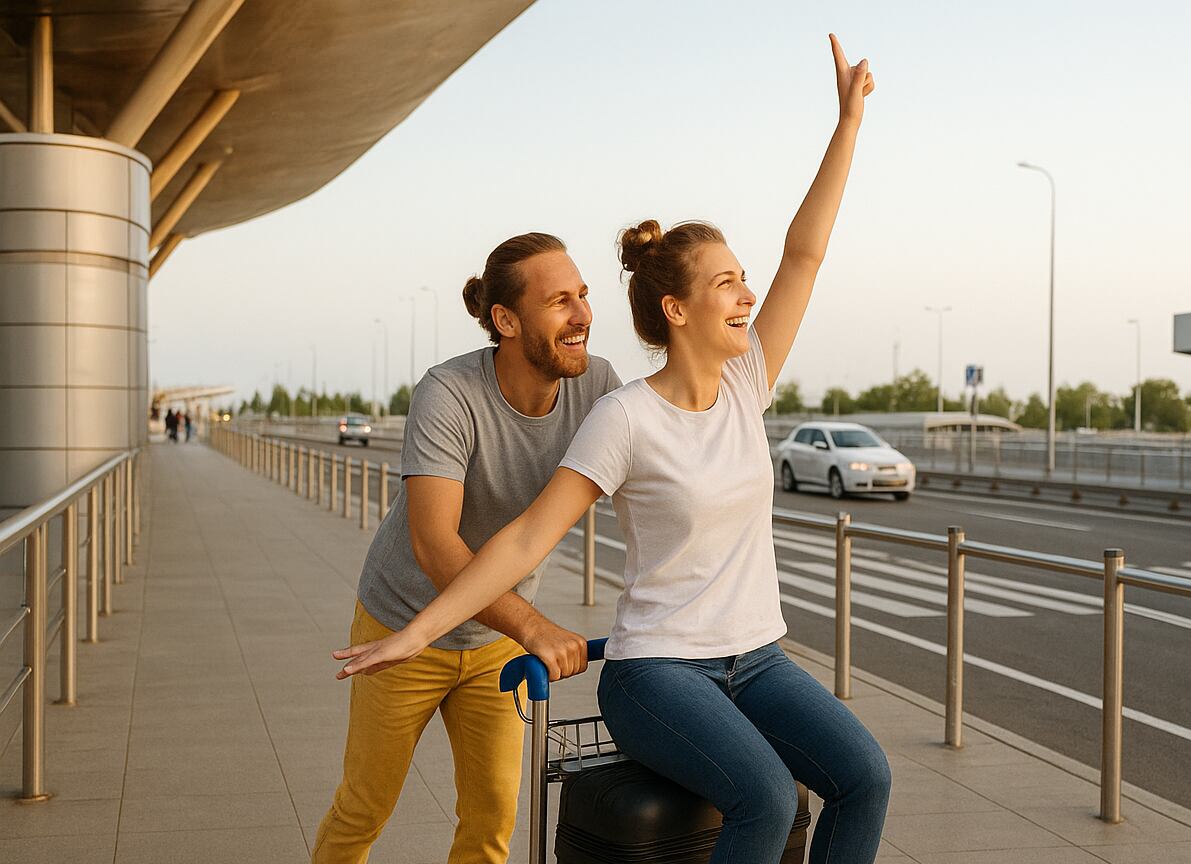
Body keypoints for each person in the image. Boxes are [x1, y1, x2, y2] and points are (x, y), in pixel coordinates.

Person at [336, 36, 887, 864]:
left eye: (746, 280)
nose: (748, 295)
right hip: (660, 672)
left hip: (756, 659)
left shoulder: (746, 383)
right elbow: (524, 537)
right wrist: (418, 632)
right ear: (676, 310)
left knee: (865, 776)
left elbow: (803, 256)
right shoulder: (623, 414)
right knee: (767, 799)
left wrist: (846, 125)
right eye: (727, 284)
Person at [312, 233, 622, 864]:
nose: (583, 314)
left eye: (583, 295)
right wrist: (533, 626)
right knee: (365, 805)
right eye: (559, 301)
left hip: (493, 643)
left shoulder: (598, 386)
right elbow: (434, 544)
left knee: (491, 818)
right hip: (402, 622)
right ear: (506, 320)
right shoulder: (449, 392)